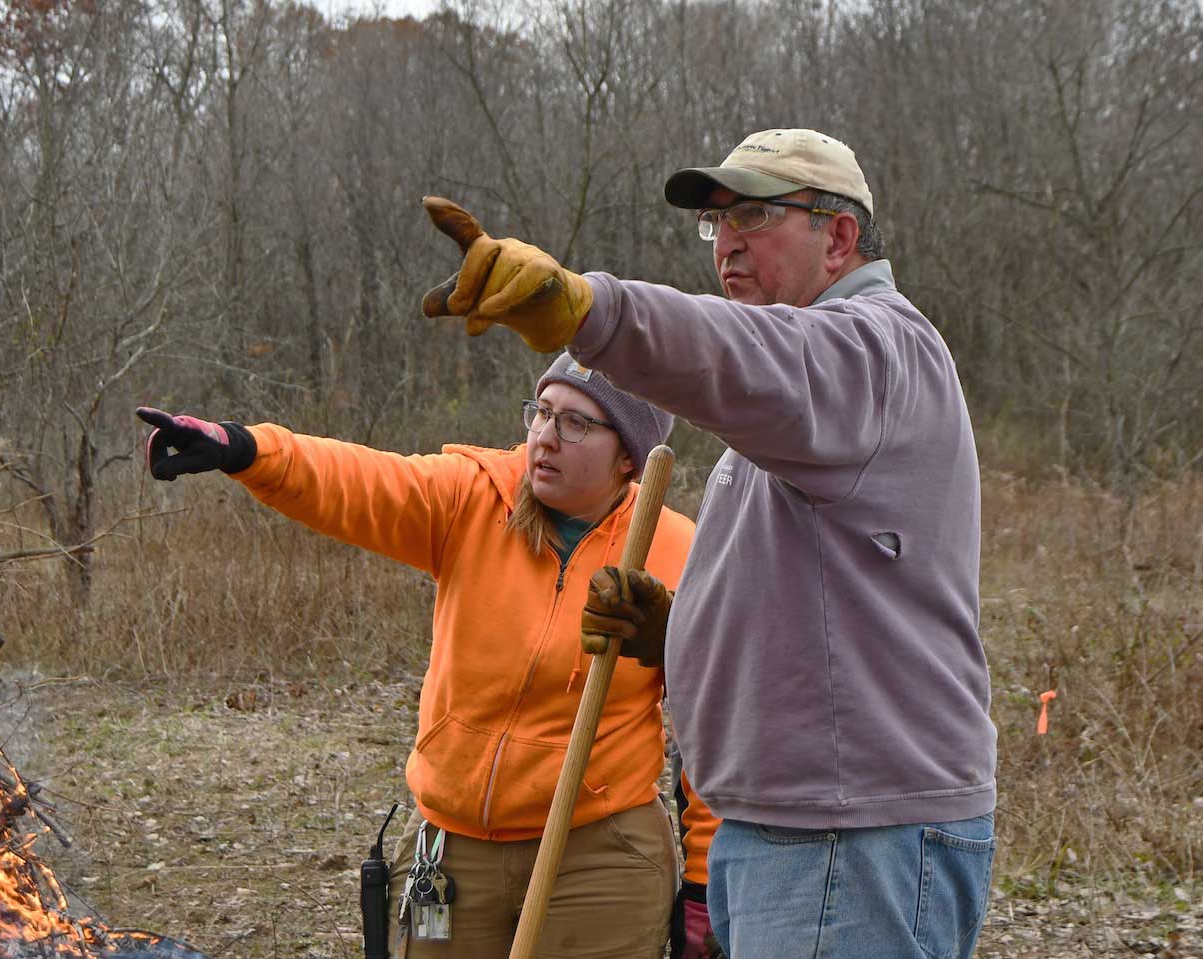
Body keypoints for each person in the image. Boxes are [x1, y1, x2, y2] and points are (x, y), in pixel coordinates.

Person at [422, 128, 998, 959]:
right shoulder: (816, 397)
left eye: (757, 214)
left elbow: (740, 357)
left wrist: (588, 309)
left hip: (852, 838)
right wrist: (683, 630)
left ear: (839, 236)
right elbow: (825, 602)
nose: (727, 240)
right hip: (798, 826)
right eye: (716, 222)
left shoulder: (873, 348)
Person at [137, 353, 719, 958]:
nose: (544, 438)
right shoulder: (473, 497)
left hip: (599, 854)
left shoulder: (676, 549)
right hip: (452, 851)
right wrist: (244, 449)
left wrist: (704, 879)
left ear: (628, 455)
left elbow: (714, 723)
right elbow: (358, 480)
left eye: (575, 424)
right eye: (541, 413)